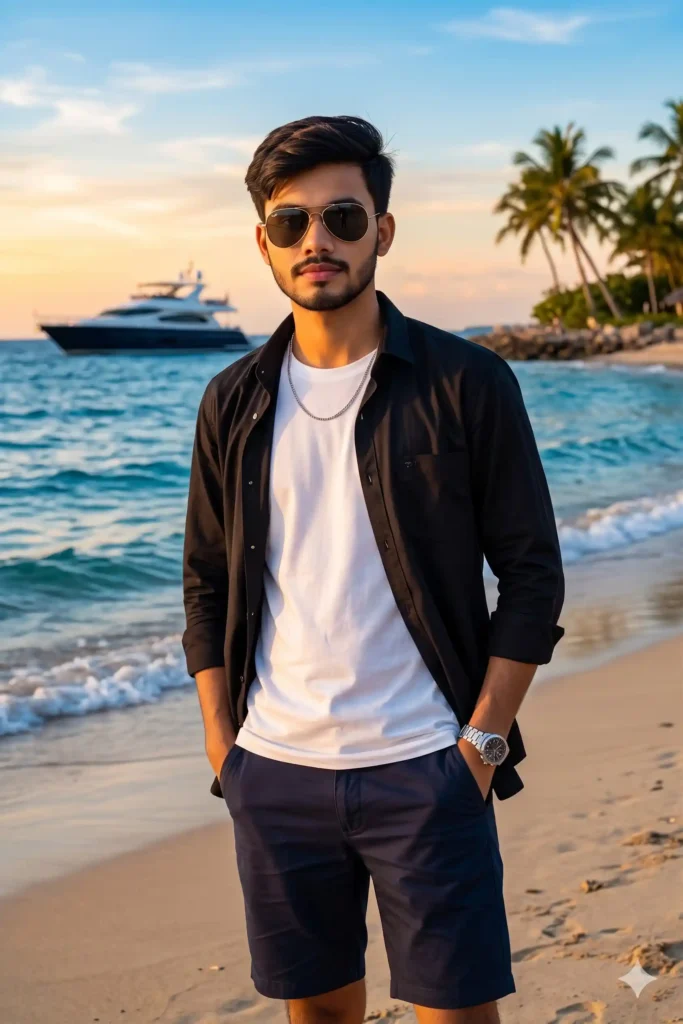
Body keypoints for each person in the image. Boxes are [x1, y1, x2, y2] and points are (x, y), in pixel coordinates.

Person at [182, 115, 565, 1024]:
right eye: (290, 224)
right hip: (274, 774)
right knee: (315, 1015)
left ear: (382, 232)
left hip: (428, 767)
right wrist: (223, 748)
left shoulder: (465, 382)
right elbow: (205, 580)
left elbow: (532, 574)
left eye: (343, 219)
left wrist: (480, 744)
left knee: (458, 1016)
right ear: (264, 243)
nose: (316, 242)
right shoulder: (232, 399)